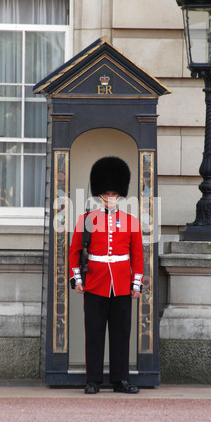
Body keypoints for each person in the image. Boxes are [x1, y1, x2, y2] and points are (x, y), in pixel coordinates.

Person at [69, 156, 143, 394]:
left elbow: (137, 256)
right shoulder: (87, 220)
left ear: (120, 195)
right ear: (99, 194)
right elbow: (74, 251)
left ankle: (120, 379)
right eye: (106, 194)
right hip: (94, 282)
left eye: (114, 194)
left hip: (121, 283)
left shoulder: (131, 221)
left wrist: (136, 283)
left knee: (121, 334)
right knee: (94, 333)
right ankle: (93, 380)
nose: (110, 198)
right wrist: (78, 279)